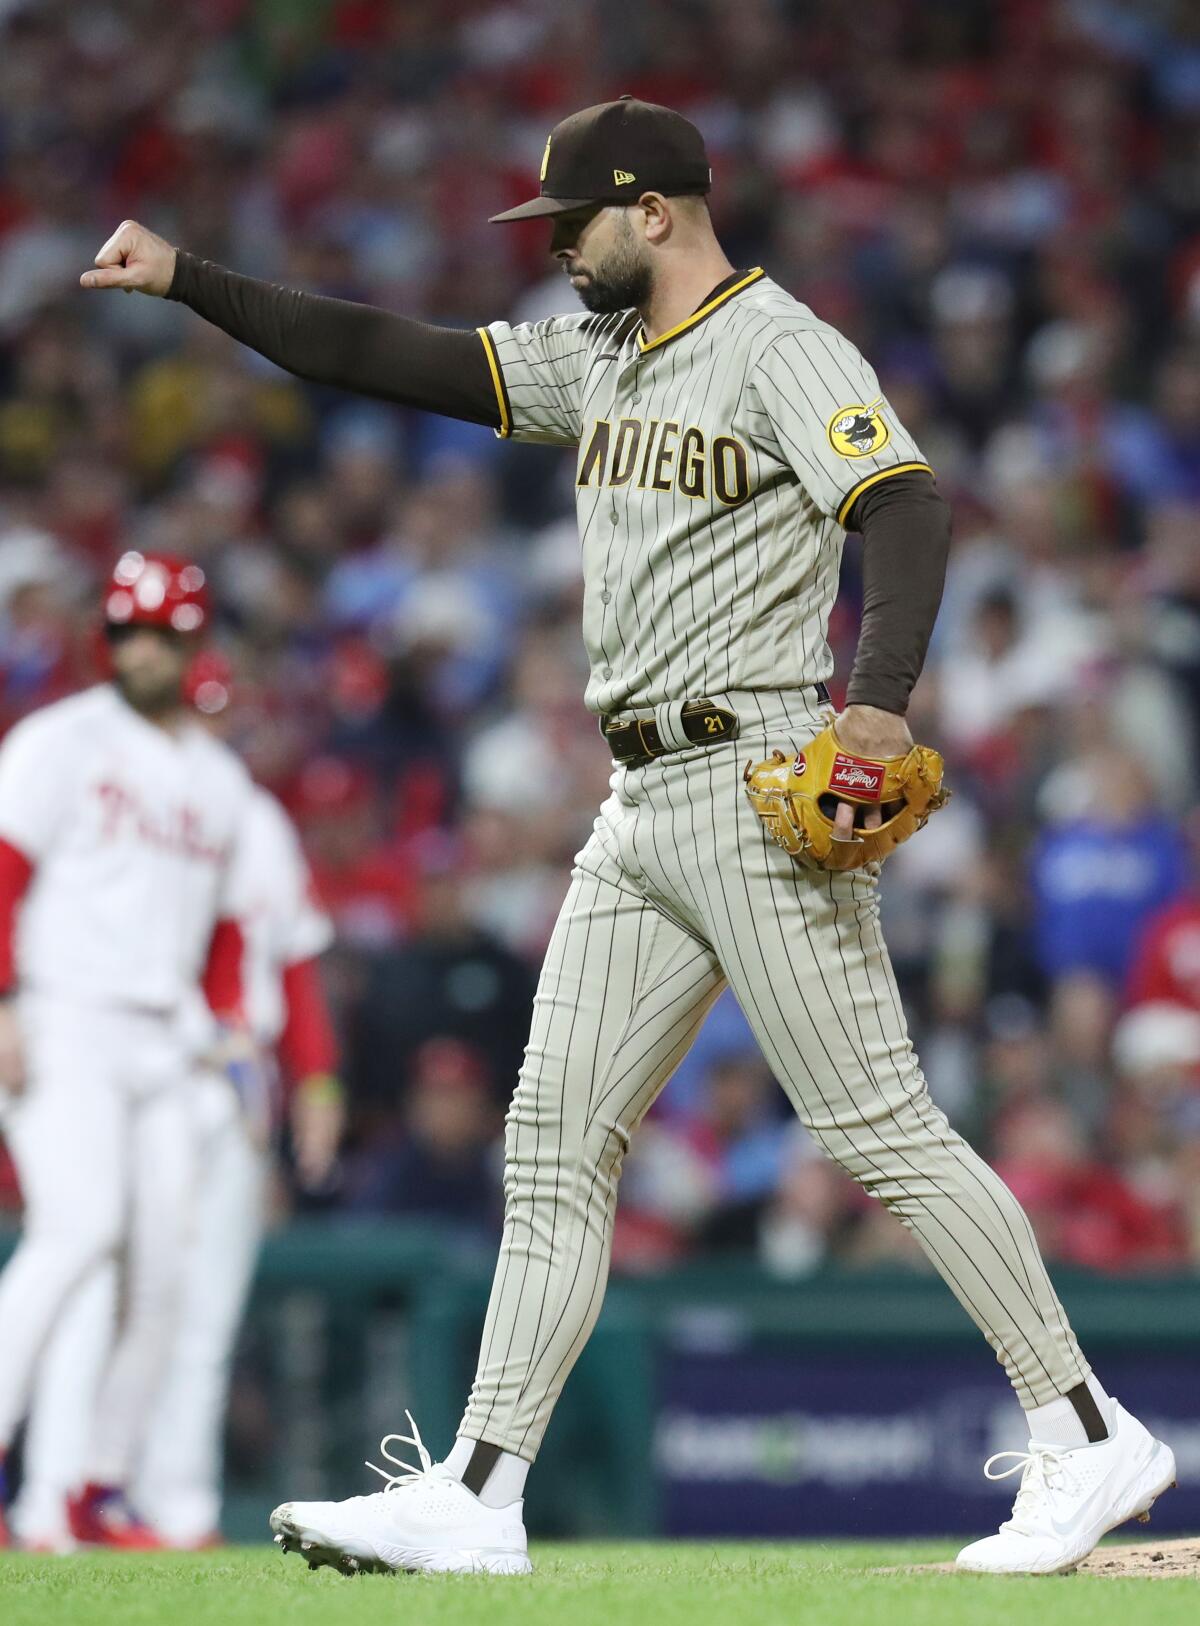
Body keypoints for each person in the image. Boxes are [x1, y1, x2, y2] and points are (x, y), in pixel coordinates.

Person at [83, 96, 1175, 1578]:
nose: (555, 251)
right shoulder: (595, 353)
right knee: (551, 1139)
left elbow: (905, 507)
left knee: (875, 1127)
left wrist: (879, 701)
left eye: (571, 224)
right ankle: (480, 1486)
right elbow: (383, 354)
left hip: (760, 771)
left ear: (651, 210)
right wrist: (192, 278)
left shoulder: (781, 345)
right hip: (639, 805)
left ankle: (1085, 1424)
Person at [10, 651, 343, 1551]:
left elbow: (279, 966)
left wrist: (305, 1082)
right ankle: (50, 1498)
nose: (210, 721)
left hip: (212, 1068)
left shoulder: (242, 807)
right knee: (87, 1272)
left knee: (187, 1304)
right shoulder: (110, 774)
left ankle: (158, 1499)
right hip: (128, 1048)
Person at [0, 554, 253, 1548]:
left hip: (167, 1040)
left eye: (162, 631)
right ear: (109, 638)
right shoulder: (61, 742)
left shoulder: (220, 778)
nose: (142, 646)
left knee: (162, 1272)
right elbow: (5, 871)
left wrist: (232, 1020)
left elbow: (226, 939)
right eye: (128, 629)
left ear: (193, 644)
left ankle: (96, 1486)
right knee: (78, 1229)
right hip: (65, 1017)